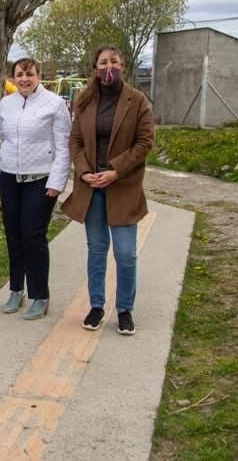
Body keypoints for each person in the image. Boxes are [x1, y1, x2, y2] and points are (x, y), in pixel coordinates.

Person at [62, 46, 155, 336]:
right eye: (103, 62)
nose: (108, 66)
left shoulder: (137, 100)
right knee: (97, 250)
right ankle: (97, 306)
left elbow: (145, 142)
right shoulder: (85, 100)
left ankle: (125, 309)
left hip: (122, 184)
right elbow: (75, 141)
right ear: (95, 68)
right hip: (91, 186)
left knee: (126, 253)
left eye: (114, 61)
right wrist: (85, 171)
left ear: (123, 65)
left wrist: (115, 170)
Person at [0, 58, 71, 320]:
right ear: (13, 77)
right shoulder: (7, 103)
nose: (24, 79)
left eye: (29, 74)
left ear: (39, 76)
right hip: (10, 177)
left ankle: (40, 295)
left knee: (33, 236)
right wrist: (3, 160)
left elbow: (63, 148)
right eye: (19, 74)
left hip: (41, 179)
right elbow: (4, 136)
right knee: (13, 235)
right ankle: (17, 289)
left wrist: (56, 183)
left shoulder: (55, 104)